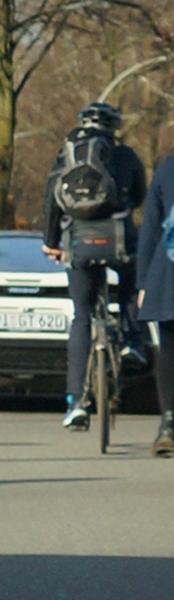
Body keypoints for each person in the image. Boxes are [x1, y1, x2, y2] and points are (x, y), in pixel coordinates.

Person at [43, 101, 148, 430]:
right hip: (119, 240)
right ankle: (132, 341)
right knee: (130, 283)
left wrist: (50, 242)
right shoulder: (126, 155)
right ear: (114, 128)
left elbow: (51, 200)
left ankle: (75, 402)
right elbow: (142, 196)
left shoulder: (67, 154)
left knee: (82, 314)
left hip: (78, 242)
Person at [130, 143, 174, 457]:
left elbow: (150, 228)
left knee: (170, 347)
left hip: (170, 272)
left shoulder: (169, 168)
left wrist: (144, 281)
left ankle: (169, 425)